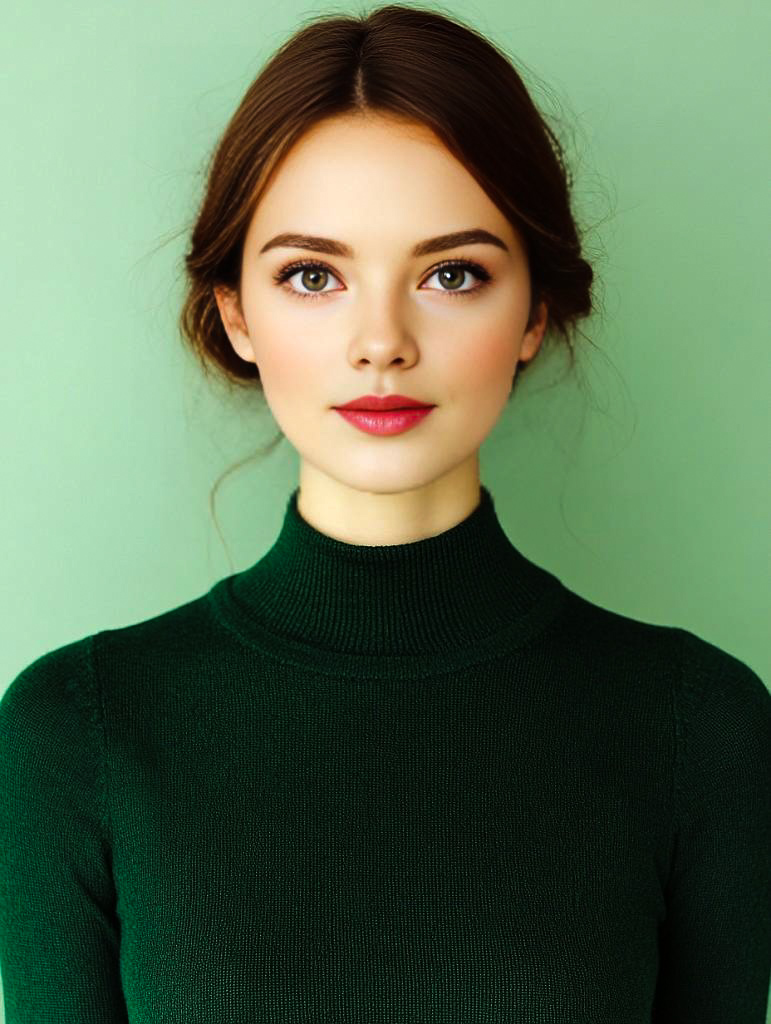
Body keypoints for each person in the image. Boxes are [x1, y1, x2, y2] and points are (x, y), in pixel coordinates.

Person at [1, 5, 769, 1022]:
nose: (381, 341)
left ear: (534, 308)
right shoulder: (73, 732)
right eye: (312, 275)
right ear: (237, 311)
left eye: (453, 274)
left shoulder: (701, 727)